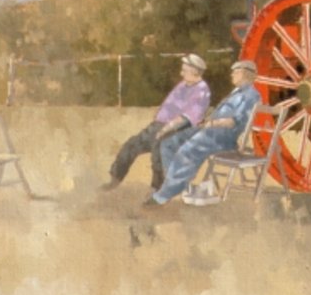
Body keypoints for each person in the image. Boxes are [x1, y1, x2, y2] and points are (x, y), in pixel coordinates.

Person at [146, 59, 260, 206]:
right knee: (169, 143)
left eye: (235, 72)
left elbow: (234, 122)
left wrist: (212, 123)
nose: (231, 75)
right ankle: (180, 186)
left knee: (186, 152)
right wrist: (207, 122)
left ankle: (162, 196)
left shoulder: (250, 95)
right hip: (211, 130)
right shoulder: (237, 92)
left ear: (244, 74)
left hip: (222, 137)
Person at [103, 53, 211, 190]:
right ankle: (115, 179)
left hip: (177, 129)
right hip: (158, 125)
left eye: (184, 70)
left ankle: (156, 190)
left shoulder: (201, 90)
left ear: (194, 72)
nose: (181, 73)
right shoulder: (184, 85)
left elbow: (186, 118)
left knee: (158, 151)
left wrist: (165, 129)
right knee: (131, 144)